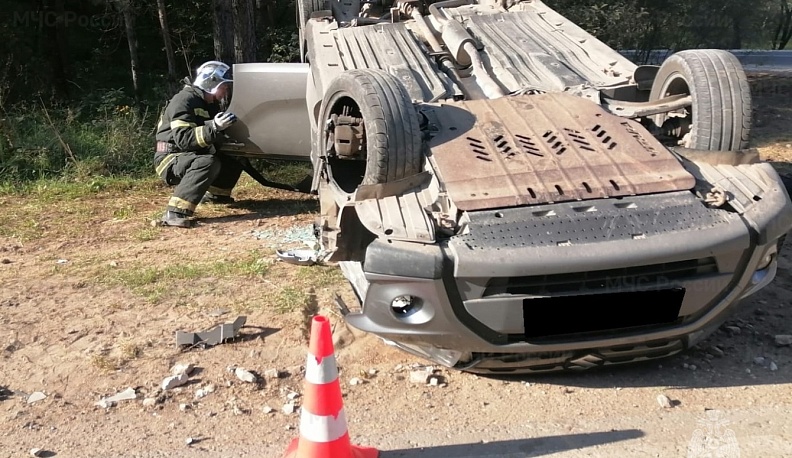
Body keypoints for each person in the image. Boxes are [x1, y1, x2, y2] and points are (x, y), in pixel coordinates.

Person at [154, 60, 243, 228]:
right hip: (170, 157)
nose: (225, 92)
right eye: (224, 87)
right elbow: (184, 139)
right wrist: (214, 127)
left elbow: (208, 135)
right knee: (206, 162)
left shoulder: (207, 103)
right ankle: (175, 212)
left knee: (234, 153)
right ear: (211, 82)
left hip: (187, 154)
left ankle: (218, 194)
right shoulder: (184, 100)